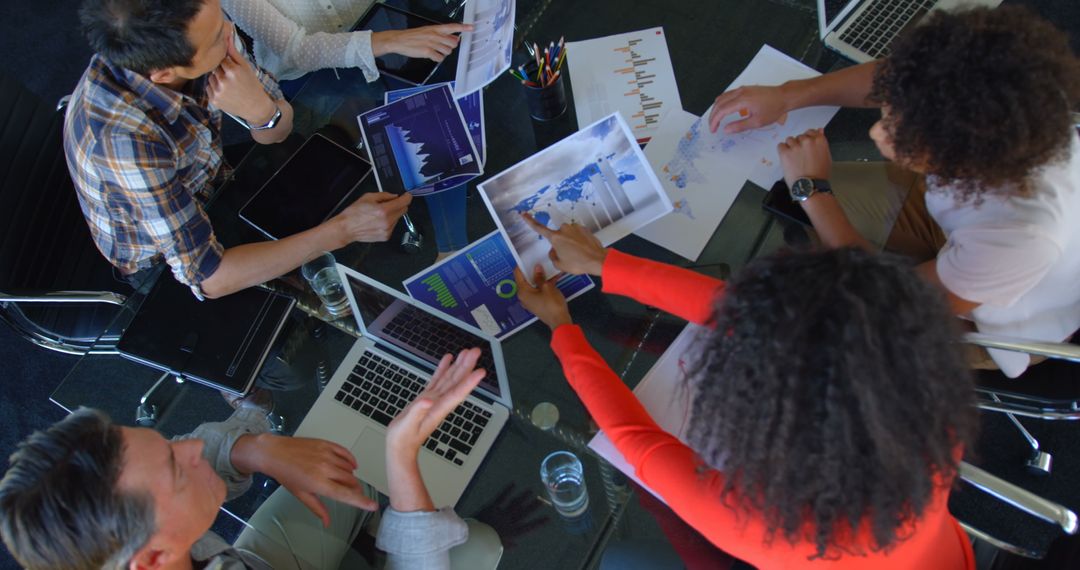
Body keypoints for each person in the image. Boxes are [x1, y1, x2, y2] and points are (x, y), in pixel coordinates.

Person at [514, 214, 978, 569]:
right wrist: (604, 264)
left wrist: (562, 327)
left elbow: (640, 442)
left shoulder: (771, 528)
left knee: (620, 558)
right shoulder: (927, 400)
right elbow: (764, 319)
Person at [708, 6, 1080, 377]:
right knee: (800, 209)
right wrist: (790, 95)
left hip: (992, 321)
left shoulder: (1016, 237)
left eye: (901, 130)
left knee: (832, 328)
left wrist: (813, 189)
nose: (876, 131)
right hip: (970, 238)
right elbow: (898, 77)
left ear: (959, 151)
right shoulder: (1018, 103)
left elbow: (894, 297)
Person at [0, 349, 492, 570]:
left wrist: (253, 449)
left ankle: (372, 531)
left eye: (165, 444)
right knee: (481, 543)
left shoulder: (133, 544)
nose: (192, 447)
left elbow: (194, 447)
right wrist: (402, 457)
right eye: (176, 468)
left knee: (343, 468)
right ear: (151, 560)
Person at [67, 0, 413, 299]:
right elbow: (210, 278)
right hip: (165, 263)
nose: (230, 31)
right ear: (164, 74)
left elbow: (279, 130)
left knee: (341, 169)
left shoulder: (205, 34)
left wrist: (261, 113)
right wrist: (343, 231)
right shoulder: (122, 144)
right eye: (217, 36)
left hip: (216, 181)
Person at [221, 0, 474, 260]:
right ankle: (451, 247)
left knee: (436, 87)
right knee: (423, 105)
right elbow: (295, 49)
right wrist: (389, 41)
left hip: (379, 26)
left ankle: (451, 198)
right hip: (310, 70)